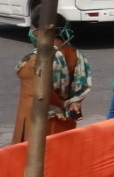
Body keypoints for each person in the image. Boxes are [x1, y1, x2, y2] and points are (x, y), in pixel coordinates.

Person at [12, 14, 90, 144]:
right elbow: (81, 86)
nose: (31, 33)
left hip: (36, 120)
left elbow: (41, 92)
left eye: (32, 29)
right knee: (60, 156)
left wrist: (62, 104)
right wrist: (70, 104)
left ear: (43, 31)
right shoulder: (75, 54)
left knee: (34, 159)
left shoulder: (37, 58)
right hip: (65, 119)